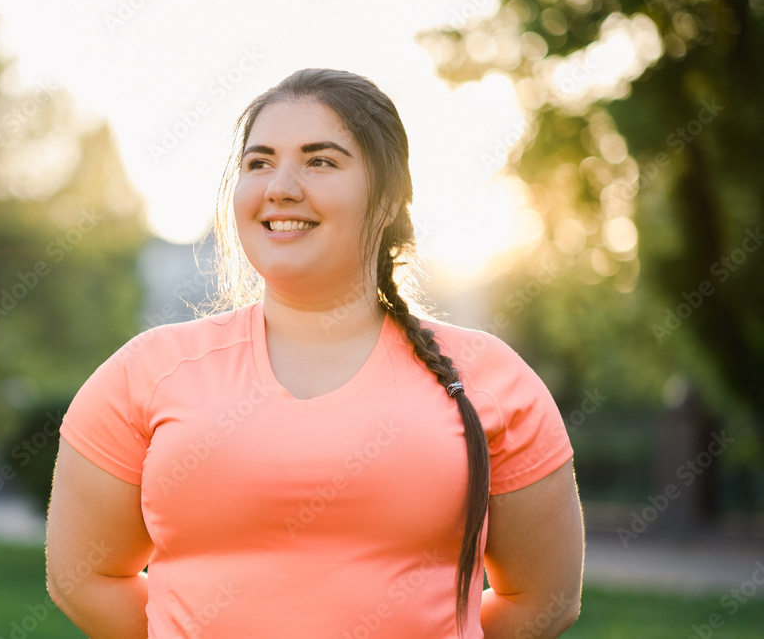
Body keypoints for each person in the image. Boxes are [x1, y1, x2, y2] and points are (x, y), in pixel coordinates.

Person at [45, 68, 585, 638]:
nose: (279, 185)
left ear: (389, 196)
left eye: (320, 160)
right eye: (258, 163)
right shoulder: (145, 373)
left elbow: (544, 598)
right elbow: (84, 577)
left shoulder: (492, 380)